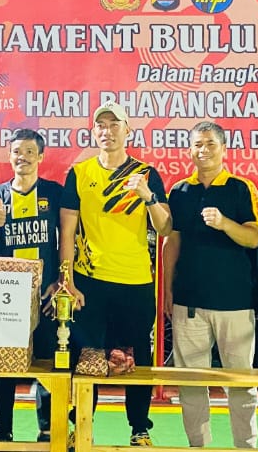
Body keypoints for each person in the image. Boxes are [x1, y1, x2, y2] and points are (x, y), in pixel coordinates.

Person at [60, 102, 171, 447]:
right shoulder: (80, 173)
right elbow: (67, 231)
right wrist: (67, 279)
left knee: (137, 359)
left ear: (128, 131)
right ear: (94, 132)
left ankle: (140, 428)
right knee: (87, 357)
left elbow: (165, 226)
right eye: (101, 125)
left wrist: (148, 196)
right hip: (89, 282)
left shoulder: (146, 174)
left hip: (135, 282)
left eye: (114, 124)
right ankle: (81, 426)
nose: (107, 131)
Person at [162, 121, 258, 448]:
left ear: (223, 149)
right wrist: (167, 289)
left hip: (235, 303)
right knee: (191, 384)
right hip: (188, 301)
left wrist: (224, 223)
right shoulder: (179, 191)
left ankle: (245, 446)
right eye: (197, 144)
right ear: (189, 149)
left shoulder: (241, 188)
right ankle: (198, 446)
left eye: (210, 144)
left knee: (241, 382)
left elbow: (253, 238)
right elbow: (172, 242)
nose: (203, 150)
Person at [0, 129, 63, 443]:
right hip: (7, 296)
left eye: (29, 151)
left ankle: (48, 429)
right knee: (4, 365)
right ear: (9, 155)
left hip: (45, 293)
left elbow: (68, 237)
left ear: (40, 156)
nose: (22, 157)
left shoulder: (53, 193)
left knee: (47, 363)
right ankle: (2, 430)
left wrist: (61, 280)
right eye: (16, 151)